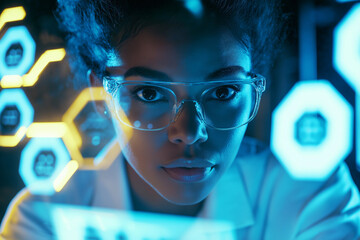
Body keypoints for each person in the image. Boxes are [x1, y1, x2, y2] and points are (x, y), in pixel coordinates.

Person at [1, 0, 360, 239]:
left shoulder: (312, 198)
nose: (188, 133)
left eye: (222, 92)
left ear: (255, 90)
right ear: (101, 96)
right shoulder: (42, 221)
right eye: (149, 93)